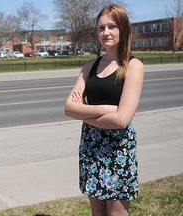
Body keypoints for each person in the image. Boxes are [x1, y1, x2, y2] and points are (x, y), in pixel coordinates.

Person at [64, 4, 144, 216]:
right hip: (92, 144)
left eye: (112, 27)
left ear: (123, 29)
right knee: (97, 211)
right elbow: (69, 108)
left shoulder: (133, 66)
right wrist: (105, 109)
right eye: (101, 28)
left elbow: (121, 120)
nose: (106, 32)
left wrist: (86, 113)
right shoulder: (90, 66)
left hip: (118, 147)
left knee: (116, 212)